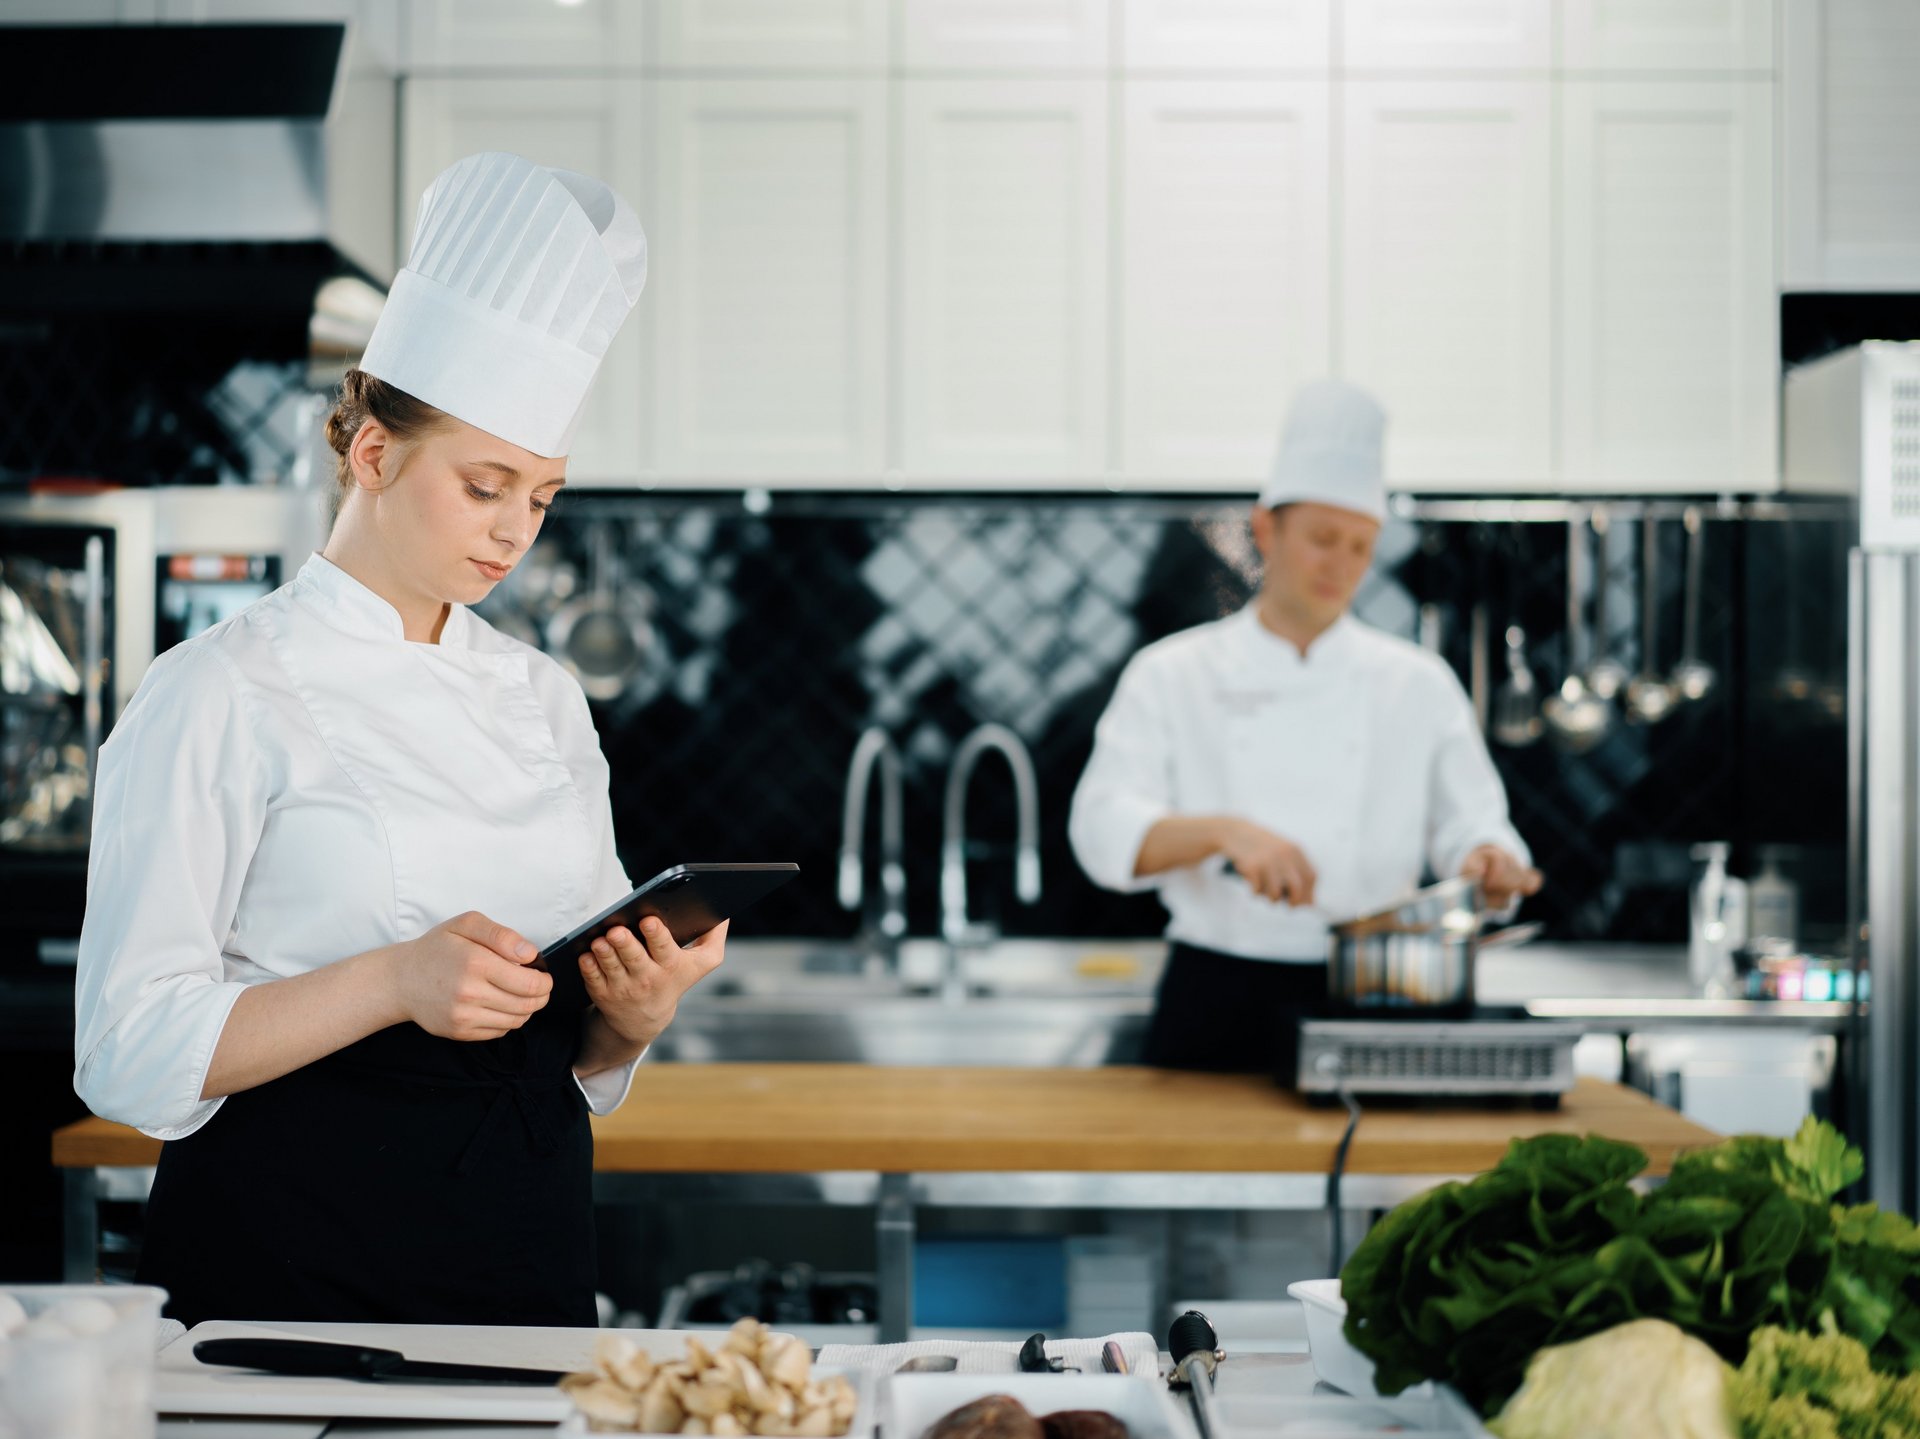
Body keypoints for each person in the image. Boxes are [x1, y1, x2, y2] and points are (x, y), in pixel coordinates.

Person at [71, 152, 715, 1326]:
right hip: (292, 1262)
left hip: (524, 1253)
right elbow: (125, 1051)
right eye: (486, 486)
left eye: (542, 495)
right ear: (373, 456)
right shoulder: (217, 690)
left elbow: (563, 1047)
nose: (516, 530)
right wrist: (391, 979)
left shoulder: (544, 697)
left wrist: (632, 1013)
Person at [1068, 379, 1541, 1073]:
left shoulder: (1416, 683)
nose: (1341, 565)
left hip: (1379, 994)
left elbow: (1471, 826)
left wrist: (1488, 862)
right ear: (1265, 529)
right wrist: (1225, 831)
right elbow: (1101, 832)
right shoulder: (1172, 673)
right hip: (1216, 995)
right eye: (1322, 538)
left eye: (1359, 545)